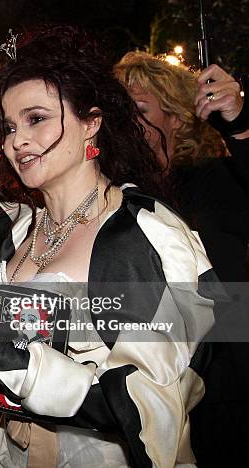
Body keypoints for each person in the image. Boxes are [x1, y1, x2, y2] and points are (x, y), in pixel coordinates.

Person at [0, 25, 219, 467]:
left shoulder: (139, 235)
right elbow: (19, 347)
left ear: (91, 122)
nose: (16, 140)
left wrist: (11, 360)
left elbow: (151, 404)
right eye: (8, 126)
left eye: (37, 118)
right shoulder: (13, 229)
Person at [114, 51, 249, 467]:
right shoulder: (113, 193)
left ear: (174, 117)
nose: (125, 123)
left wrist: (240, 122)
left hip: (223, 382)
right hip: (146, 384)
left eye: (138, 109)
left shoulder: (214, 180)